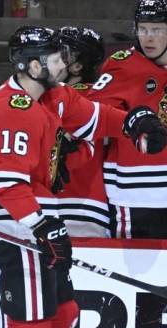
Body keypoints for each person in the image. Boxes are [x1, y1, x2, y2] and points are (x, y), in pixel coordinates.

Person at [0, 26, 167, 328]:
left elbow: (92, 116)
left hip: (37, 221)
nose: (63, 64)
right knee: (32, 322)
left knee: (64, 315)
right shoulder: (14, 108)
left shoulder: (51, 97)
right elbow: (7, 187)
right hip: (15, 229)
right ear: (30, 65)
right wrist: (42, 227)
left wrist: (134, 121)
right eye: (54, 57)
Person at [88, 0, 167, 241]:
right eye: (143, 29)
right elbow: (93, 113)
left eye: (156, 30)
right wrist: (132, 120)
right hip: (135, 196)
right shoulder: (120, 65)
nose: (148, 37)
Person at [53, 26, 111, 237]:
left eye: (61, 53)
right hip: (76, 209)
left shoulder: (90, 99)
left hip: (79, 213)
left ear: (77, 66)